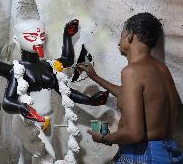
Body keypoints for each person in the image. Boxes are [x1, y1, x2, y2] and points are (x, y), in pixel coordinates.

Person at [0, 0, 109, 163]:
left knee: (29, 154)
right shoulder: (17, 70)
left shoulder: (48, 67)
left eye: (41, 35)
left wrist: (90, 100)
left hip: (48, 118)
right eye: (31, 36)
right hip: (27, 122)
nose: (38, 40)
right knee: (48, 157)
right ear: (16, 39)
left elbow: (66, 73)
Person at [78, 12, 183, 163]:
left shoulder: (132, 71)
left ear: (130, 35)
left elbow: (134, 133)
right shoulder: (160, 69)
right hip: (168, 153)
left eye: (121, 36)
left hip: (143, 155)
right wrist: (94, 77)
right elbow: (127, 94)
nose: (118, 43)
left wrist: (104, 138)